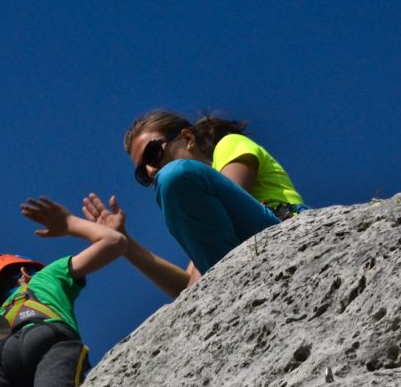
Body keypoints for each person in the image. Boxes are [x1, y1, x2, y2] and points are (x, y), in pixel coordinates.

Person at [83, 110, 307, 297]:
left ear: (188, 138)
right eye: (143, 173)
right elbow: (189, 288)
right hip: (244, 261)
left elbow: (232, 201)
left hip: (282, 231)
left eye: (152, 154)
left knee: (174, 175)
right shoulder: (207, 219)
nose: (151, 170)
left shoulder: (229, 145)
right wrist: (125, 243)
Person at [0, 196, 127, 387]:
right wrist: (72, 223)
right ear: (25, 272)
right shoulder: (46, 276)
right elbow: (114, 242)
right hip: (48, 337)